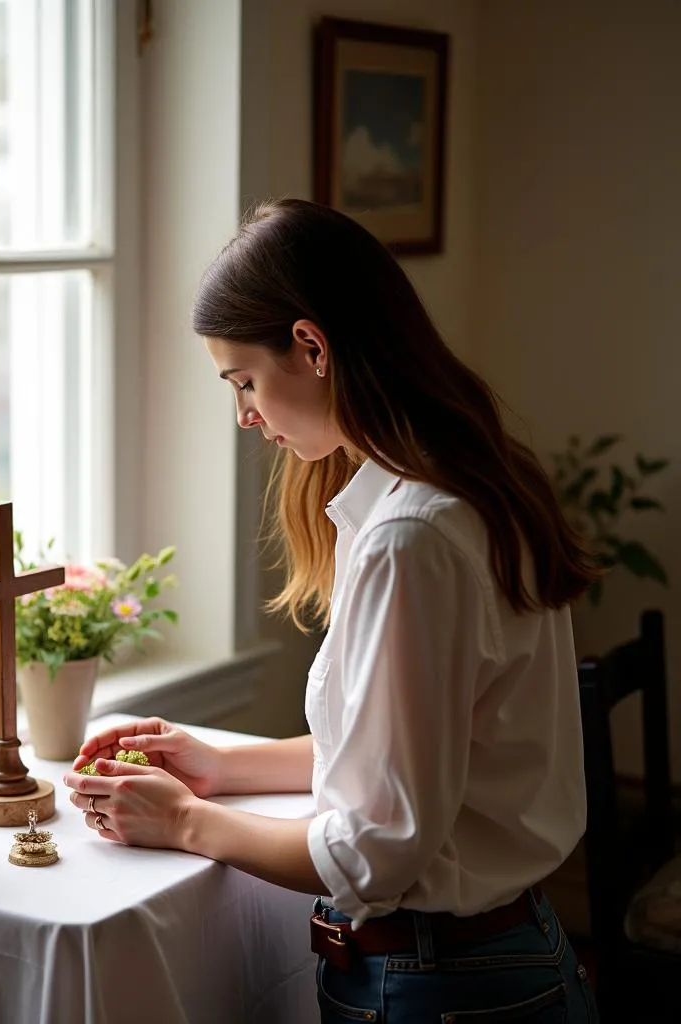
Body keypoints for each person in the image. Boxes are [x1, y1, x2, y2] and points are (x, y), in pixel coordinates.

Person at [62, 198, 600, 1022]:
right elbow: (405, 755)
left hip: (442, 986)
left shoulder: (408, 540)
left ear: (310, 347)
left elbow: (377, 849)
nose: (244, 414)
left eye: (244, 381)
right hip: (496, 960)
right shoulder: (465, 486)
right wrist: (219, 766)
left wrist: (189, 823)